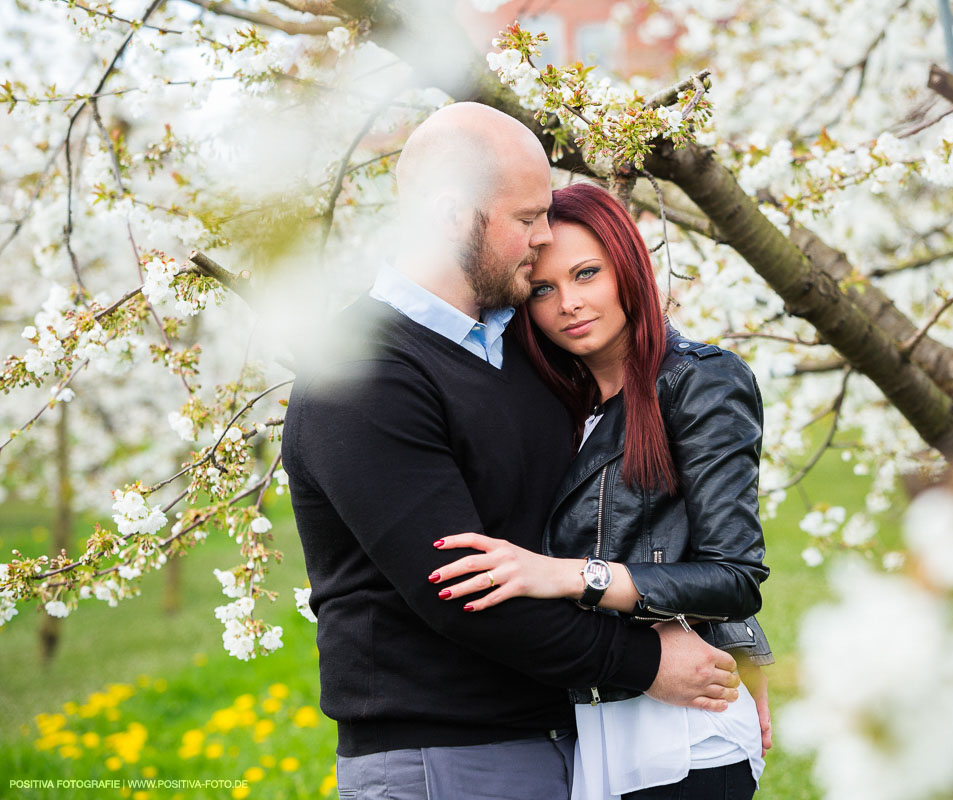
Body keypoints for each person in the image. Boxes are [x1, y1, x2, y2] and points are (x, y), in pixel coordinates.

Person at [281, 103, 742, 800]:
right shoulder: (361, 375)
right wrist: (649, 661)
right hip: (443, 753)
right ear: (451, 216)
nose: (545, 236)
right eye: (527, 218)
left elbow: (649, 518)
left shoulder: (528, 351)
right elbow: (463, 590)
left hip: (571, 739)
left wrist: (734, 654)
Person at [430, 181, 773, 799]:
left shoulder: (701, 383)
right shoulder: (554, 407)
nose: (569, 303)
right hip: (591, 730)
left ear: (628, 269)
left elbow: (735, 573)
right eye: (543, 288)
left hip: (687, 736)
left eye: (587, 273)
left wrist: (568, 575)